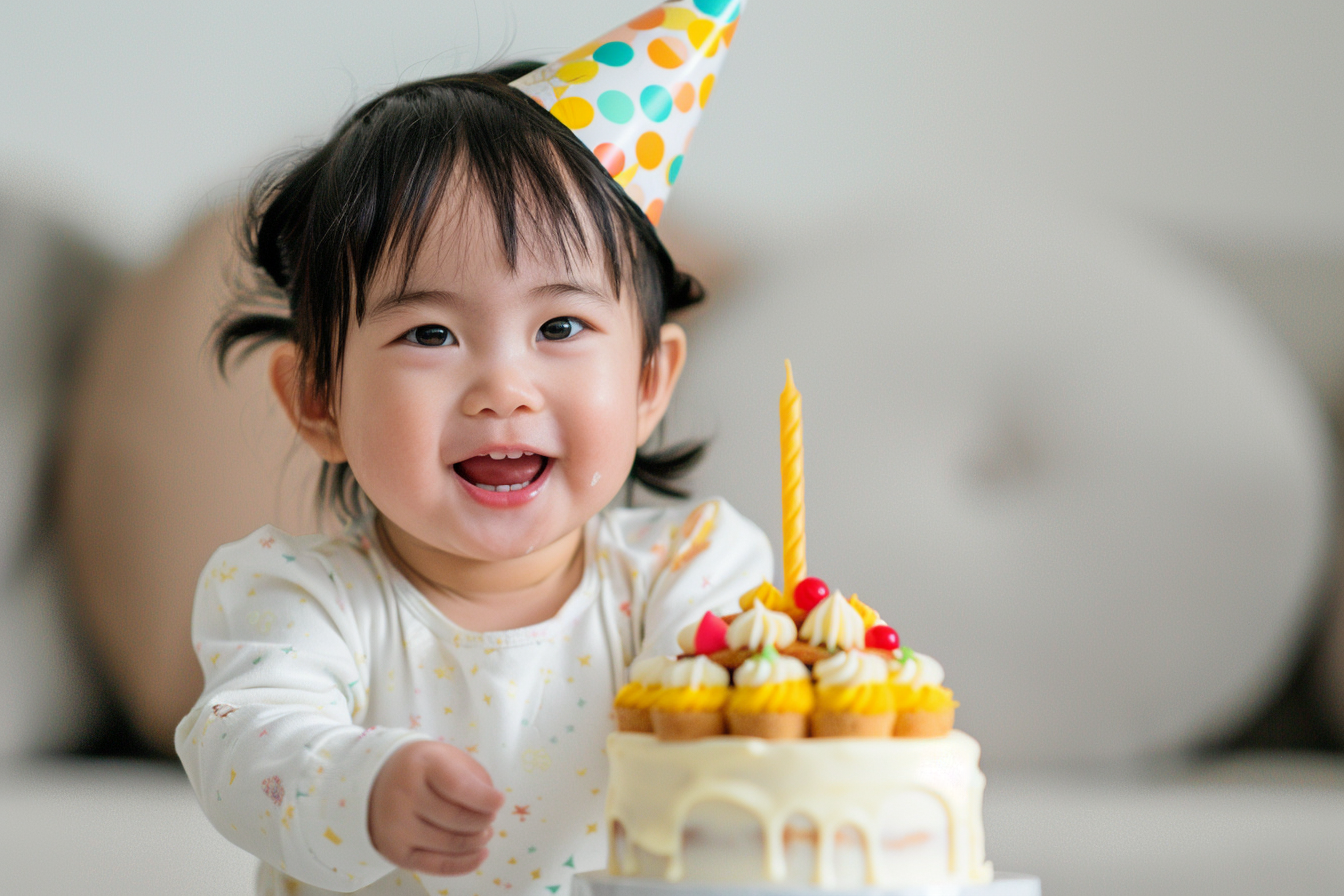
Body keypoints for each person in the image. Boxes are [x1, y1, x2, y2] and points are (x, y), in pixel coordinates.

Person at [172, 51, 769, 896]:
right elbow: (243, 747)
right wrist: (361, 785)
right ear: (318, 400)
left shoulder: (692, 571)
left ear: (647, 383)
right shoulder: (299, 598)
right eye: (430, 335)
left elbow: (728, 710)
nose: (502, 392)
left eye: (560, 326)